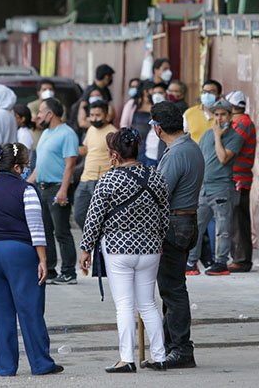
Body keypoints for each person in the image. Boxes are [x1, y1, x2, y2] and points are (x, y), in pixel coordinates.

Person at [80, 128, 170, 373]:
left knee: (124, 306)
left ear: (114, 154)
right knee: (148, 304)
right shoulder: (156, 175)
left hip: (118, 249)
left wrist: (86, 248)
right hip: (150, 249)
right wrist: (159, 240)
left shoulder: (109, 179)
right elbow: (164, 214)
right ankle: (159, 357)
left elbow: (94, 217)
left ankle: (127, 359)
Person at [0, 143, 64, 377]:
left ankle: (3, 367)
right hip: (18, 251)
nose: (26, 169)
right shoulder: (26, 190)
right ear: (16, 167)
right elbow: (36, 227)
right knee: (29, 307)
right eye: (25, 165)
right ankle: (41, 363)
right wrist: (43, 260)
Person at [151, 101, 204, 369]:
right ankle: (170, 346)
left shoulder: (176, 154)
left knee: (173, 291)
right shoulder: (190, 147)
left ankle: (181, 349)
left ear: (158, 128)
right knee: (172, 288)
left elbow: (160, 193)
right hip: (185, 222)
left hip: (175, 224)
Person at [186, 99, 243, 276]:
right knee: (196, 226)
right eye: (216, 114)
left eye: (223, 114)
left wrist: (218, 136)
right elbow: (200, 157)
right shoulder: (206, 135)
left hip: (222, 188)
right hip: (203, 187)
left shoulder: (235, 137)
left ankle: (221, 262)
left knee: (223, 228)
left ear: (230, 116)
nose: (219, 118)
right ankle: (191, 262)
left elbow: (223, 158)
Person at [27, 97, 79, 285]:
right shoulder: (46, 133)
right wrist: (26, 184)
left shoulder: (67, 134)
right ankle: (49, 270)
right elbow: (40, 165)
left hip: (58, 187)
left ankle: (69, 272)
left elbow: (70, 165)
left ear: (50, 114)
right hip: (42, 188)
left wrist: (63, 190)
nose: (38, 116)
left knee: (62, 231)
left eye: (41, 111)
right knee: (45, 231)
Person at [225, 90, 256, 273]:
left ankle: (241, 259)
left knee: (238, 220)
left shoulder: (242, 123)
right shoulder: (240, 122)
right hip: (236, 177)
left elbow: (230, 148)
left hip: (240, 178)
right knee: (234, 219)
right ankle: (238, 257)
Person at [73, 100, 117, 228]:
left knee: (101, 217)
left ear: (106, 115)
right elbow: (86, 149)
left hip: (102, 180)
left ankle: (100, 238)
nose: (94, 118)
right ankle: (92, 237)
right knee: (79, 215)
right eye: (91, 115)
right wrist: (68, 148)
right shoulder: (91, 129)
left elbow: (117, 158)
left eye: (98, 115)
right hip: (85, 179)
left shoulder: (113, 133)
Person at [183, 79, 221, 143]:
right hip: (194, 149)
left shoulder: (223, 114)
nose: (207, 95)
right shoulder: (189, 113)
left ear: (219, 95)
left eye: (211, 92)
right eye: (204, 92)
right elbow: (181, 135)